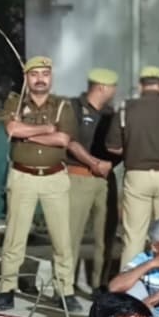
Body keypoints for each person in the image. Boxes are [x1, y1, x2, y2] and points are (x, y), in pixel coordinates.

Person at [0, 56, 87, 312]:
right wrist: (46, 129)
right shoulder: (15, 102)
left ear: (51, 77)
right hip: (23, 177)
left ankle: (64, 291)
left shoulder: (63, 105)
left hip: (55, 178)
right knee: (15, 237)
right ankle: (7, 290)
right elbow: (12, 130)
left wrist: (28, 133)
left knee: (62, 239)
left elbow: (63, 140)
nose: (40, 79)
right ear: (26, 78)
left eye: (45, 74)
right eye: (35, 74)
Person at [105, 66, 159, 260]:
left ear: (140, 85)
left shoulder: (126, 108)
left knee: (133, 236)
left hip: (137, 175)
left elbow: (113, 147)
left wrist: (134, 149)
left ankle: (131, 278)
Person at [65, 68, 118, 292]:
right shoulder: (73, 108)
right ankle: (65, 285)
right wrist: (93, 162)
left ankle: (100, 284)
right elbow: (69, 140)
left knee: (105, 234)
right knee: (70, 235)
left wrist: (109, 165)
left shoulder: (111, 114)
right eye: (113, 87)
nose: (115, 91)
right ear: (102, 87)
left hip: (105, 179)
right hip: (78, 177)